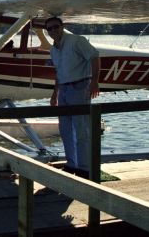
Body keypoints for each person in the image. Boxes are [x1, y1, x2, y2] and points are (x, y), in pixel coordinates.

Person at [46, 16, 100, 179]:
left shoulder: (77, 41)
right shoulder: (53, 49)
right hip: (64, 90)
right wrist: (55, 93)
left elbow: (94, 57)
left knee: (81, 129)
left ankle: (85, 168)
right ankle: (71, 164)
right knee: (65, 129)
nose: (53, 30)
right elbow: (58, 71)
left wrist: (95, 82)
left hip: (79, 87)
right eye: (49, 29)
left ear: (62, 26)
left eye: (56, 27)